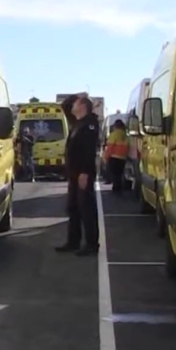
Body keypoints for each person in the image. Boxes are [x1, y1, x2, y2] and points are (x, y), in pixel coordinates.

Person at [57, 93, 101, 256]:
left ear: (82, 106)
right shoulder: (77, 123)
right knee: (73, 208)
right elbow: (64, 107)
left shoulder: (89, 125)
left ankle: (91, 244)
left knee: (87, 210)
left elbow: (88, 152)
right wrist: (75, 97)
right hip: (74, 174)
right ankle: (73, 241)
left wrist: (84, 172)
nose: (72, 106)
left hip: (83, 174)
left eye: (75, 103)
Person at [104, 119, 129, 195]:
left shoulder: (114, 134)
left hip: (114, 157)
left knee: (114, 174)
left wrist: (106, 157)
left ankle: (116, 189)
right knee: (119, 174)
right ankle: (119, 188)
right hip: (123, 158)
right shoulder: (125, 135)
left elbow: (110, 147)